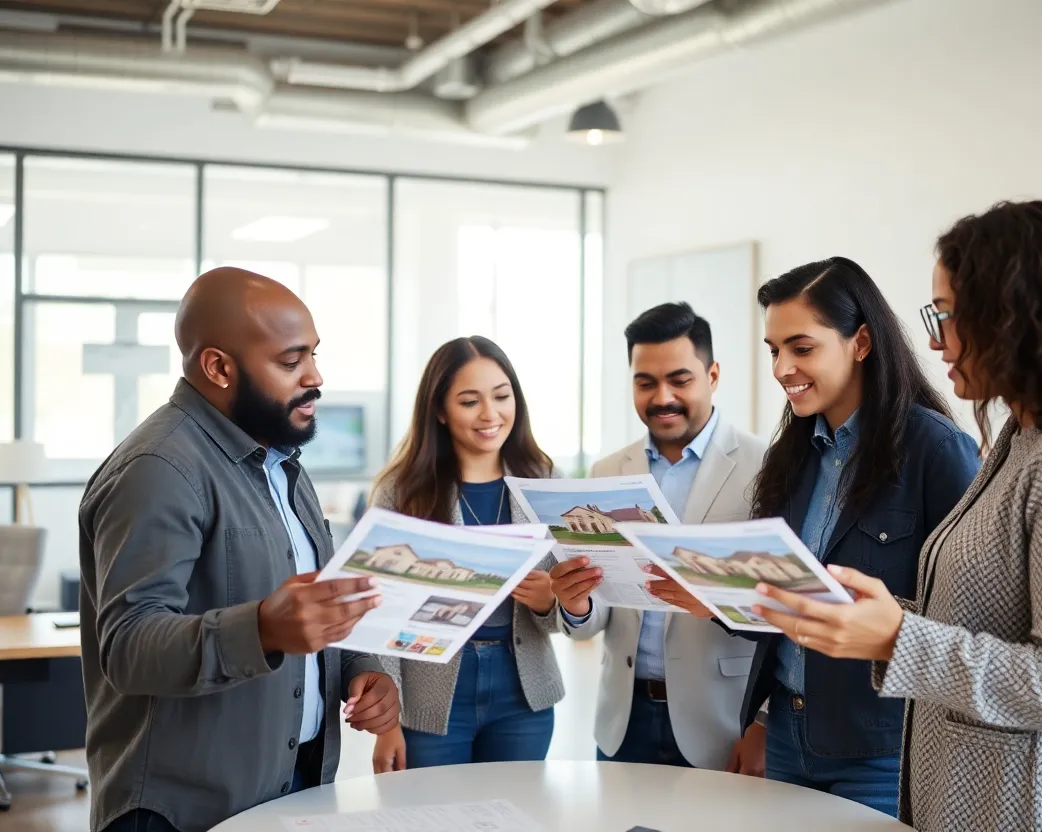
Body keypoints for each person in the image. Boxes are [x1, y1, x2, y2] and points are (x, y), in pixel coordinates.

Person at [753, 202, 1042, 831]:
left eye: (946, 315)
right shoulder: (1029, 437)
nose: (931, 338)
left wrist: (899, 635)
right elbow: (991, 622)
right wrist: (887, 616)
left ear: (1020, 311)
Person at [78, 267, 401, 832]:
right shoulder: (159, 469)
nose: (316, 377)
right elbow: (128, 647)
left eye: (314, 355)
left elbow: (308, 605)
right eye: (290, 361)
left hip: (291, 786)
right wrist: (262, 629)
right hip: (182, 810)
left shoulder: (281, 464)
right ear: (219, 367)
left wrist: (362, 669)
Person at [660, 259, 981, 816]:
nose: (783, 368)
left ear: (860, 342)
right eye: (773, 349)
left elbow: (967, 619)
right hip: (788, 729)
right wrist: (716, 598)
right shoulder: (795, 452)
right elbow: (790, 597)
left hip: (879, 746)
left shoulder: (937, 450)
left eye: (801, 348)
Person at [549, 302, 768, 773]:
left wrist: (764, 724)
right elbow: (595, 617)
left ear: (712, 375)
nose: (662, 396)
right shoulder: (607, 472)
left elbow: (783, 610)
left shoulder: (765, 466)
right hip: (623, 723)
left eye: (680, 380)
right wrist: (577, 604)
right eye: (645, 382)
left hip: (725, 723)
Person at [369, 336, 564, 772]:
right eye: (469, 401)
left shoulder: (546, 481)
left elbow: (571, 614)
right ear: (439, 410)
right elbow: (380, 614)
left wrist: (549, 600)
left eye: (501, 396)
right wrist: (387, 723)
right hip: (430, 695)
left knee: (515, 816)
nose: (490, 414)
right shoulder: (401, 492)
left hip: (523, 692)